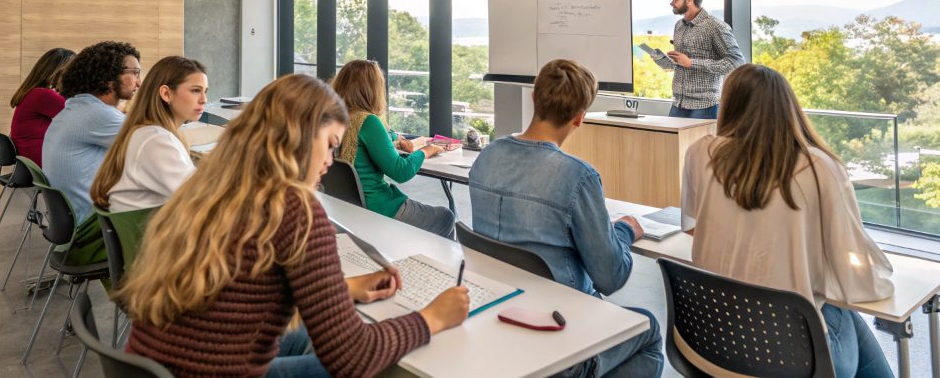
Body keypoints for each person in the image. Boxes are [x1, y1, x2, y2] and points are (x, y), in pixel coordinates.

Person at [119, 74, 469, 377]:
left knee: (308, 337)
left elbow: (244, 293)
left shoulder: (209, 187)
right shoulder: (292, 208)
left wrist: (342, 289)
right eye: (329, 145)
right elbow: (352, 356)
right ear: (299, 136)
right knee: (385, 367)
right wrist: (433, 318)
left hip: (160, 367)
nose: (330, 162)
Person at [681, 64, 894, 378]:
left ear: (728, 105)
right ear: (788, 107)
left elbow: (695, 228)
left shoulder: (700, 153)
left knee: (831, 312)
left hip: (715, 342)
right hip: (794, 358)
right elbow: (857, 273)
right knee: (840, 311)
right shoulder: (819, 167)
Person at [469, 59, 665, 378]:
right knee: (649, 328)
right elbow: (610, 277)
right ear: (579, 117)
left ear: (534, 98)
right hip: (561, 333)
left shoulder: (487, 156)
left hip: (498, 319)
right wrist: (625, 231)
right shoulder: (578, 177)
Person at [331, 60, 455, 238]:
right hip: (379, 208)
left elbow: (371, 140)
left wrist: (395, 138)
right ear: (372, 89)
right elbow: (400, 172)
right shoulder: (368, 121)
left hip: (347, 209)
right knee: (446, 217)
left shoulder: (336, 118)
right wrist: (427, 150)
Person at [42, 41, 141, 263]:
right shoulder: (96, 114)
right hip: (92, 234)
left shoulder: (78, 107)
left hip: (74, 227)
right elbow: (158, 140)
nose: (139, 82)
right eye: (134, 73)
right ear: (109, 76)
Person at [89, 56, 207, 213]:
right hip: (149, 228)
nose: (204, 99)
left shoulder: (147, 132)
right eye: (195, 91)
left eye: (205, 91)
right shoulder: (155, 140)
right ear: (166, 94)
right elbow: (202, 197)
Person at [648, 0, 744, 119]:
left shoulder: (715, 26)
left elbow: (736, 63)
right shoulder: (678, 26)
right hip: (678, 104)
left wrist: (691, 63)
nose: (671, 2)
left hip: (705, 107)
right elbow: (679, 65)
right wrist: (660, 59)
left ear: (689, 0)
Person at [9, 47, 75, 167]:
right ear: (60, 72)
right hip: (37, 157)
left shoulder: (33, 91)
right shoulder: (43, 95)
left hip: (27, 154)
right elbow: (77, 114)